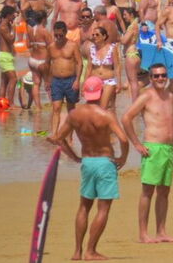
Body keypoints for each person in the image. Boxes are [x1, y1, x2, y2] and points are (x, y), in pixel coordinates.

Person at [49, 76, 129, 261]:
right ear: (100, 92)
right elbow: (123, 139)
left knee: (84, 206)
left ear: (85, 93)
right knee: (103, 208)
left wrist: (74, 156)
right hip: (104, 162)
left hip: (87, 161)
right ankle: (91, 251)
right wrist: (123, 158)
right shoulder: (106, 115)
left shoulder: (74, 114)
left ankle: (77, 251)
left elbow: (58, 138)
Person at [122, 62, 173, 244]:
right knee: (148, 191)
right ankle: (143, 233)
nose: (160, 78)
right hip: (152, 148)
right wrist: (137, 144)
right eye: (156, 76)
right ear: (151, 78)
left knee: (164, 192)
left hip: (168, 149)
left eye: (163, 75)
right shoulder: (146, 96)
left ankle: (161, 231)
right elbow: (126, 118)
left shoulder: (170, 96)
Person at [47, 21, 82, 136]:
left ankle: (69, 137)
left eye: (60, 35)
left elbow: (79, 63)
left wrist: (77, 80)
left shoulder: (72, 45)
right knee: (56, 107)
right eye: (56, 35)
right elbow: (48, 64)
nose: (58, 38)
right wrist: (48, 80)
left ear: (65, 32)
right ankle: (54, 135)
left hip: (70, 80)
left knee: (71, 110)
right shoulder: (51, 47)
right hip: (56, 81)